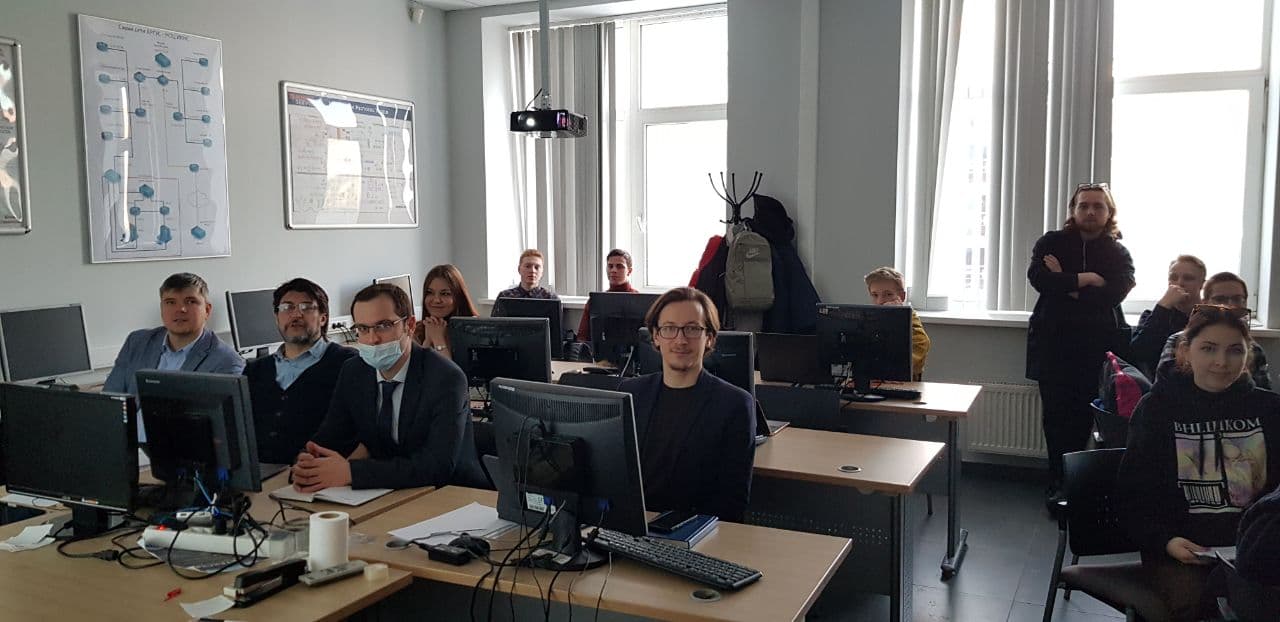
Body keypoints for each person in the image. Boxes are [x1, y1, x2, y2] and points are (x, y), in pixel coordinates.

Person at [1117, 305, 1280, 622]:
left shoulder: (1270, 409)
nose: (1221, 362)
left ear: (1247, 355)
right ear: (1185, 352)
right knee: (1200, 608)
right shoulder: (1157, 409)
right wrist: (1166, 542)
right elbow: (1132, 497)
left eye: (1235, 350)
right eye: (1208, 348)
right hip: (1182, 551)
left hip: (1257, 552)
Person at [292, 283, 484, 491]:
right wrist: (307, 462)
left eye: (383, 326)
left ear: (410, 325)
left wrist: (352, 472)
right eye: (363, 329)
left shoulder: (446, 378)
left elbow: (437, 466)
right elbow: (332, 435)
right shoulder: (354, 371)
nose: (372, 339)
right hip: (385, 490)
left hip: (452, 493)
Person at [1026, 183, 1135, 510]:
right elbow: (1039, 279)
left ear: (1109, 212)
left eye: (1098, 206)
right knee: (1056, 421)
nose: (1090, 211)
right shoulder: (1051, 242)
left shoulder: (1118, 253)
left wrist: (1066, 283)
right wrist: (1089, 279)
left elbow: (1114, 294)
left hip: (1097, 349)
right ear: (1073, 210)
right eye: (1084, 205)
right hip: (1053, 348)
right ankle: (1058, 483)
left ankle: (1082, 485)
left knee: (1091, 420)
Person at [617, 287, 756, 522]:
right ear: (656, 336)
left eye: (692, 329)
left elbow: (732, 503)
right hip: (633, 525)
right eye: (669, 328)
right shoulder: (631, 393)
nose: (680, 340)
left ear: (709, 337)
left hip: (696, 531)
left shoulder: (734, 404)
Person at [243, 278, 356, 465]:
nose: (296, 314)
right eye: (287, 307)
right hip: (260, 471)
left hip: (317, 470)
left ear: (323, 318)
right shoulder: (255, 370)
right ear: (276, 317)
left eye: (306, 307)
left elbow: (356, 429)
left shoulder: (347, 363)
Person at [104, 272, 243, 397]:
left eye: (190, 301)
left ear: (207, 310)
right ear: (162, 309)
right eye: (170, 302)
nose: (180, 309)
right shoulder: (137, 342)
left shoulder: (227, 362)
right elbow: (110, 398)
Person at [1156, 272, 1271, 389]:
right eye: (1220, 299)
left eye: (1237, 299)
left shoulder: (1254, 349)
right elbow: (1165, 385)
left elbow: (1263, 391)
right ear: (1204, 303)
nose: (1230, 305)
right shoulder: (1178, 341)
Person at [1128, 255, 1206, 380]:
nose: (1179, 283)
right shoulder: (1154, 315)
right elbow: (1139, 353)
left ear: (1202, 284)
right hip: (1165, 383)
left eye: (1188, 278)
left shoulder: (1209, 316)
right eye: (1173, 278)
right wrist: (1163, 306)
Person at [864, 266, 931, 380]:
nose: (880, 301)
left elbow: (922, 344)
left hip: (903, 383)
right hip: (874, 380)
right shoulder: (870, 318)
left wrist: (892, 319)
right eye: (875, 295)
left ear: (902, 297)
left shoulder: (909, 318)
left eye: (888, 294)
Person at [411, 264, 479, 361]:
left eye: (445, 294)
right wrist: (428, 341)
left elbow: (449, 371)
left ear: (459, 297)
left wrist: (438, 339)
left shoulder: (474, 331)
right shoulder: (416, 331)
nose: (436, 300)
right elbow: (421, 368)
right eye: (430, 292)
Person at [576, 249, 639, 342]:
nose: (613, 270)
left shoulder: (638, 300)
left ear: (629, 271)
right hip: (600, 350)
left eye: (619, 266)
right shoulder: (596, 300)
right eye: (610, 266)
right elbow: (582, 336)